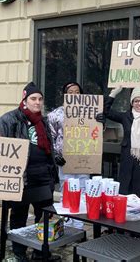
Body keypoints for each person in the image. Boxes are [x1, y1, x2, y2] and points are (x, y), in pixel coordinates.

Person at [0, 82, 60, 262]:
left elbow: (49, 146)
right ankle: (19, 252)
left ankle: (40, 252)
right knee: (19, 215)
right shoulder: (10, 119)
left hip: (44, 175)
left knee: (46, 215)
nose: (37, 102)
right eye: (33, 98)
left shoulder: (43, 121)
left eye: (40, 99)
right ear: (24, 100)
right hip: (23, 177)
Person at [47, 81, 88, 229]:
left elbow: (96, 134)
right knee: (67, 191)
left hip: (84, 158)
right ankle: (66, 224)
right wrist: (56, 155)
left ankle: (78, 226)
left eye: (77, 92)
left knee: (82, 191)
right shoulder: (56, 114)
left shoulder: (89, 112)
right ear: (65, 95)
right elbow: (51, 137)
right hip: (65, 159)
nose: (74, 95)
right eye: (70, 92)